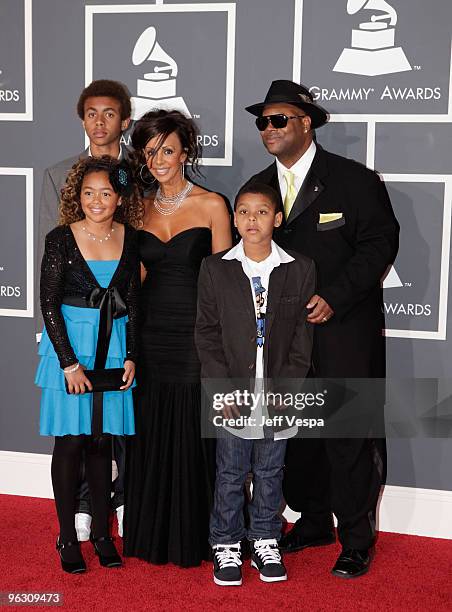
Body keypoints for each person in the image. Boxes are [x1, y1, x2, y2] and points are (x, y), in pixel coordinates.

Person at [244, 80, 399, 578]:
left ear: (306, 122)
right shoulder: (259, 190)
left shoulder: (354, 181)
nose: (268, 128)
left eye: (278, 119)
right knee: (299, 433)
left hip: (345, 330)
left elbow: (379, 244)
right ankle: (312, 521)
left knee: (349, 434)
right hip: (286, 338)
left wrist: (335, 297)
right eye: (262, 121)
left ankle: (356, 538)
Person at [123, 110, 232, 567]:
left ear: (185, 152)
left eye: (167, 150)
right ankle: (151, 537)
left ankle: (194, 536)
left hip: (195, 333)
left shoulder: (212, 205)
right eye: (150, 152)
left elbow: (228, 279)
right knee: (150, 426)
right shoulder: (139, 206)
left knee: (191, 428)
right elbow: (136, 277)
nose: (159, 160)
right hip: (150, 334)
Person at [195, 183, 315, 586]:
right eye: (243, 212)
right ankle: (226, 543)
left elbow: (302, 336)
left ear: (277, 219)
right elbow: (207, 334)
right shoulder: (216, 268)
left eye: (261, 212)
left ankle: (265, 537)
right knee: (230, 471)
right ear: (233, 219)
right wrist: (222, 390)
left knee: (270, 469)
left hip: (278, 390)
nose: (251, 220)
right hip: (233, 389)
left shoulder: (298, 267)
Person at [35, 156, 142, 573]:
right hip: (72, 352)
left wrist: (131, 353)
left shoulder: (129, 238)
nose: (96, 201)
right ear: (77, 197)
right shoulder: (60, 238)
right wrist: (68, 363)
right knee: (71, 443)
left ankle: (101, 532)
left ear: (118, 198)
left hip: (113, 350)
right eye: (88, 193)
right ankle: (66, 536)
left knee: (102, 443)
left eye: (105, 193)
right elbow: (48, 303)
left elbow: (132, 301)